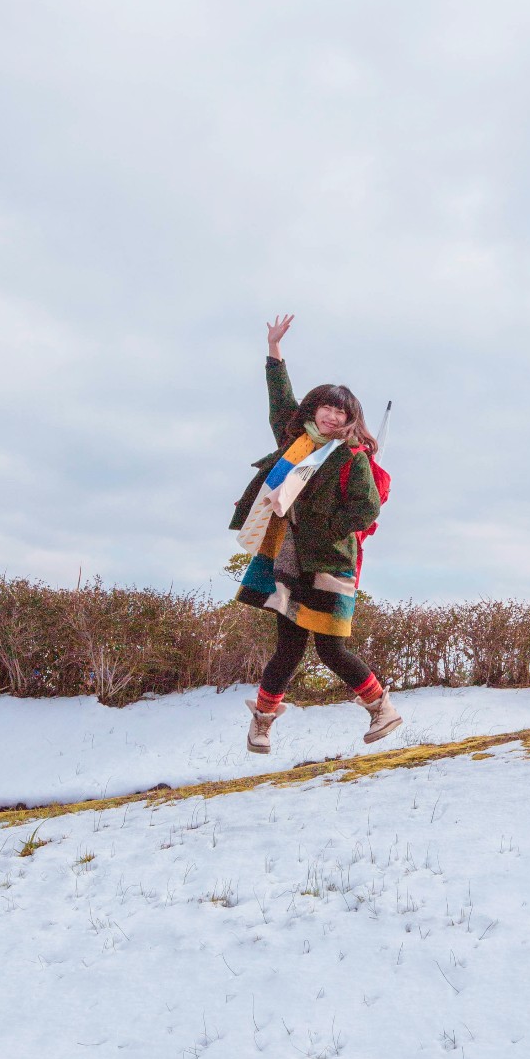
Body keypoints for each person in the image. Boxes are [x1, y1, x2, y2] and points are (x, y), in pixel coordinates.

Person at [233, 312, 401, 751]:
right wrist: (274, 350)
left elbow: (366, 509)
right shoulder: (295, 441)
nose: (331, 414)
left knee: (331, 649)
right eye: (326, 406)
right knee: (287, 648)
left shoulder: (351, 456)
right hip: (287, 558)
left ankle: (382, 708)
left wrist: (326, 528)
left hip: (330, 561)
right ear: (314, 410)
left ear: (350, 418)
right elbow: (279, 399)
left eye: (341, 410)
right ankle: (263, 722)